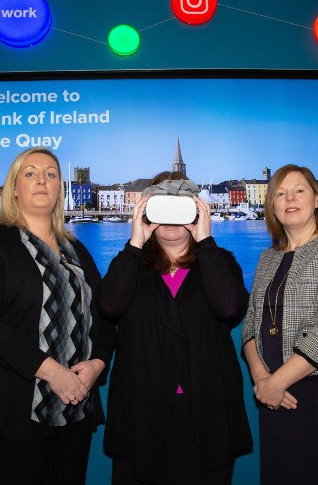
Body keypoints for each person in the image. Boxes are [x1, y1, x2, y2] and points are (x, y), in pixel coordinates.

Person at [0, 147, 115, 485]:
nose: (42, 179)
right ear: (14, 187)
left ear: (60, 188)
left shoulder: (77, 249)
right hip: (7, 415)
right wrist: (53, 372)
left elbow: (102, 315)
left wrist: (98, 363)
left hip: (74, 413)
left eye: (51, 174)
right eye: (30, 173)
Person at [99, 172, 252, 485]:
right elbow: (109, 306)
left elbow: (229, 308)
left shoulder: (219, 262)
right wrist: (136, 241)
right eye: (161, 205)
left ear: (196, 209)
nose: (170, 217)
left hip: (204, 410)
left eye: (180, 205)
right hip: (141, 411)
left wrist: (205, 242)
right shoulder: (129, 263)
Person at [242, 164, 318, 485]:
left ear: (316, 200)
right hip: (275, 399)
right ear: (272, 206)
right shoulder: (268, 258)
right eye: (280, 194)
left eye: (299, 190)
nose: (289, 198)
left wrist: (277, 381)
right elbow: (251, 325)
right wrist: (262, 379)